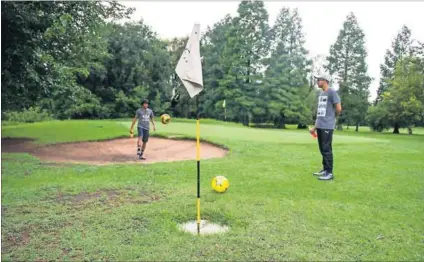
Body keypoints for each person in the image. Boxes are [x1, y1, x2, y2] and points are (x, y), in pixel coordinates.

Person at [309, 73, 342, 181]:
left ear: (325, 80)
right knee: (322, 149)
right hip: (320, 126)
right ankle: (324, 169)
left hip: (327, 126)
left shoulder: (332, 92)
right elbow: (320, 113)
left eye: (319, 79)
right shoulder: (321, 93)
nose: (317, 81)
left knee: (327, 149)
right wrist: (315, 127)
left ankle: (329, 173)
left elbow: (338, 108)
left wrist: (332, 118)